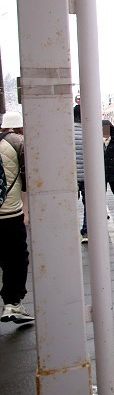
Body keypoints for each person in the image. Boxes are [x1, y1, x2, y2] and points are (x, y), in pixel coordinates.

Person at [0, 111, 33, 324]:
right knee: (17, 259)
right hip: (11, 214)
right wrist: (27, 212)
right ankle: (13, 303)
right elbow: (28, 179)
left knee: (4, 259)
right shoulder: (19, 143)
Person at [74, 104, 87, 242]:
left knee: (70, 204)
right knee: (88, 204)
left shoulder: (66, 131)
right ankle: (86, 231)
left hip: (71, 177)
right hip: (87, 177)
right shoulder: (90, 131)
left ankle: (70, 231)